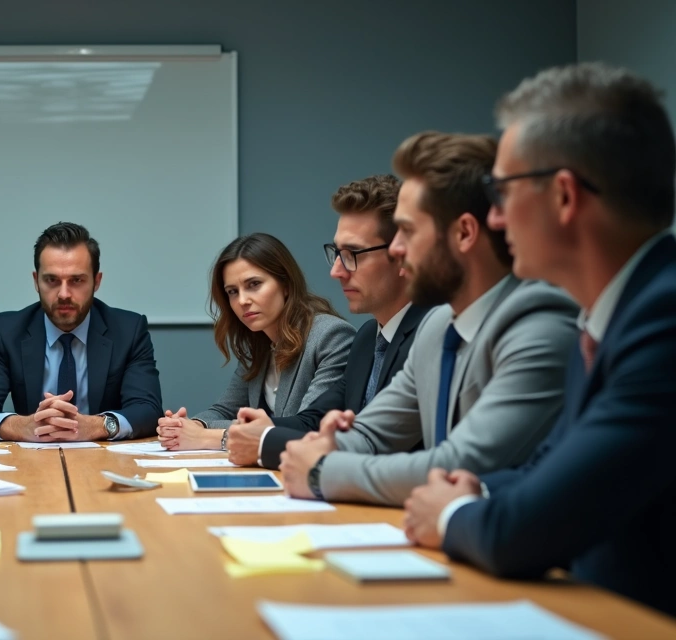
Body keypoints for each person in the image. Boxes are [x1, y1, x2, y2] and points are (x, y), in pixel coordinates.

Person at [403, 63, 676, 617]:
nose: (495, 220)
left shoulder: (663, 319)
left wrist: (452, 513)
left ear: (564, 197)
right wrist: (472, 490)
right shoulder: (607, 315)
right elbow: (547, 472)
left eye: (501, 193)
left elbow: (528, 530)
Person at [279, 132, 578, 506]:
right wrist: (329, 445)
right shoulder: (438, 327)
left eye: (407, 230)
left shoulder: (541, 325)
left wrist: (323, 470)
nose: (397, 249)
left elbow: (460, 465)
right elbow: (372, 435)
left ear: (465, 233)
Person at [227, 176, 430, 467]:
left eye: (352, 254)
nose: (337, 271)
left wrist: (264, 442)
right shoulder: (368, 337)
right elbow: (314, 420)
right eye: (336, 253)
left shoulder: (432, 334)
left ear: (401, 255)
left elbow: (380, 444)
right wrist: (265, 429)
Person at [0, 222, 162, 442]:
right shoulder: (8, 330)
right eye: (52, 280)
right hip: (33, 460)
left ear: (97, 281)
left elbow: (148, 409)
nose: (64, 294)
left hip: (104, 459)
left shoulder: (128, 330)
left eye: (76, 280)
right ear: (36, 281)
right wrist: (23, 426)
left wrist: (97, 425)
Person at [156, 233, 355, 452]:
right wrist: (187, 426)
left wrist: (207, 437)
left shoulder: (331, 336)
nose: (242, 301)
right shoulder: (260, 344)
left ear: (286, 284)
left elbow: (306, 428)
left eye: (254, 284)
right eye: (232, 291)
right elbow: (223, 409)